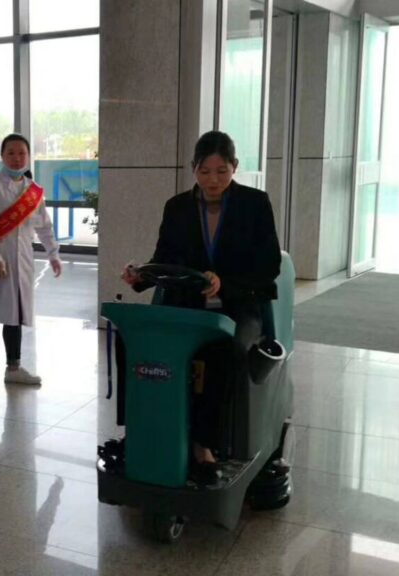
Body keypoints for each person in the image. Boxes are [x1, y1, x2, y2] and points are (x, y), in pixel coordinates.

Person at [122, 130, 281, 476]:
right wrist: (140, 277)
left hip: (239, 306)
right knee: (140, 346)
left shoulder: (255, 204)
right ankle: (141, 430)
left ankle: (204, 442)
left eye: (222, 171)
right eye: (205, 171)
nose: (213, 180)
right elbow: (164, 259)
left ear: (235, 167)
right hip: (189, 305)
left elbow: (269, 267)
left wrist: (226, 283)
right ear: (193, 168)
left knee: (224, 351)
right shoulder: (177, 207)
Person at [0, 133, 62, 386]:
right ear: (2, 156)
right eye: (10, 153)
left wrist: (53, 254)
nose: (16, 158)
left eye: (22, 153)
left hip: (22, 262)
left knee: (16, 314)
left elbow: (44, 226)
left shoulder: (33, 192)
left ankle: (13, 368)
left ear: (29, 156)